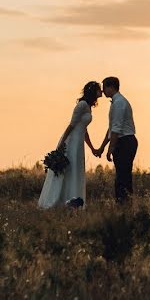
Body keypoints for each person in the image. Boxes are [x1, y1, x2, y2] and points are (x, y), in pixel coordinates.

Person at [38, 81, 100, 209]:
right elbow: (71, 125)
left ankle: (73, 201)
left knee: (77, 169)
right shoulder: (82, 105)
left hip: (79, 141)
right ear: (93, 91)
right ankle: (59, 200)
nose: (102, 92)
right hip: (72, 141)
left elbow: (84, 129)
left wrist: (92, 147)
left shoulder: (88, 106)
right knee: (70, 169)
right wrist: (61, 144)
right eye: (99, 90)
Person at [94, 76, 137, 202]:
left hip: (125, 141)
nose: (103, 91)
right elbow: (111, 128)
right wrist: (102, 147)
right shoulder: (116, 102)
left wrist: (110, 148)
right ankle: (123, 204)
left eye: (104, 88)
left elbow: (116, 129)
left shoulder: (119, 103)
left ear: (111, 87)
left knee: (123, 177)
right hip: (122, 141)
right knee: (121, 176)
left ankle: (124, 204)